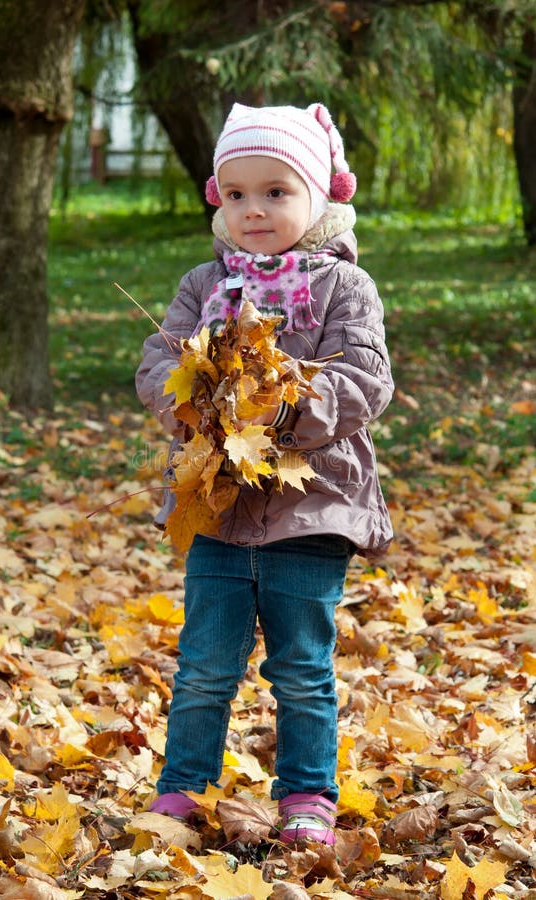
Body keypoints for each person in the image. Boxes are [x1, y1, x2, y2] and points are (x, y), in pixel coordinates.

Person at [136, 102, 393, 845]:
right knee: (204, 665)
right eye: (238, 192)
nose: (254, 209)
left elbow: (364, 379)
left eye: (276, 192)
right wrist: (194, 409)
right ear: (219, 198)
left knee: (301, 667)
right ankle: (183, 790)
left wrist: (281, 412)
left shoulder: (345, 289)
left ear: (320, 195)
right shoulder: (201, 285)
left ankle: (307, 795)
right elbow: (159, 363)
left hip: (312, 509)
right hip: (216, 505)